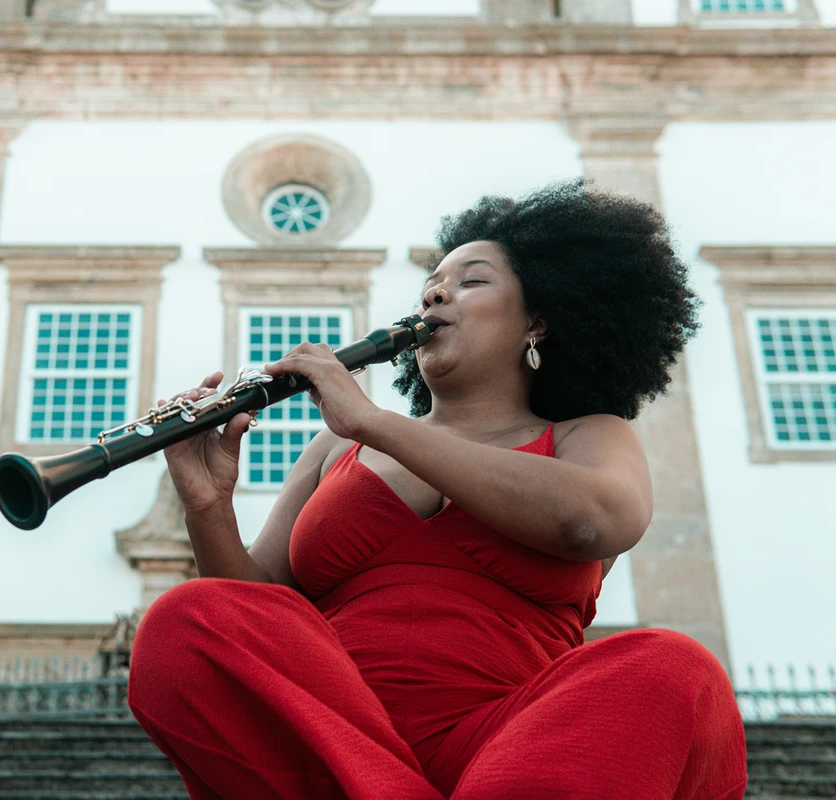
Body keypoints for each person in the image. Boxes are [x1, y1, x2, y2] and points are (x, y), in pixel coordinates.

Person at [127, 180, 748, 800]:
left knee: (673, 667)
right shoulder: (337, 449)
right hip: (334, 744)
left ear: (538, 317)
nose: (436, 291)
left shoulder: (588, 434)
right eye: (433, 284)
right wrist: (207, 505)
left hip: (516, 749)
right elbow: (256, 608)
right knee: (185, 618)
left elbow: (591, 521)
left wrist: (376, 423)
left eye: (471, 281)